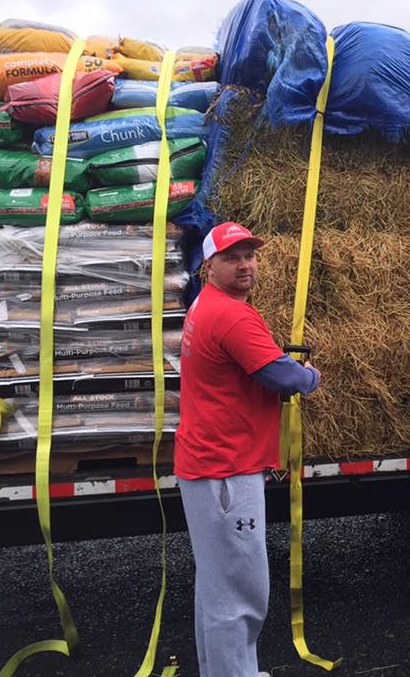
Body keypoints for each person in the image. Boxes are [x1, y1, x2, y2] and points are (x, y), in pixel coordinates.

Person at [176, 221, 321, 677]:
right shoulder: (232, 316)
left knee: (217, 587)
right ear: (208, 266)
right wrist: (311, 375)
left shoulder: (206, 306)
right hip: (225, 470)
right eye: (232, 258)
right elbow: (285, 377)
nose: (245, 265)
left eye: (250, 256)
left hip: (209, 462)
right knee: (240, 589)